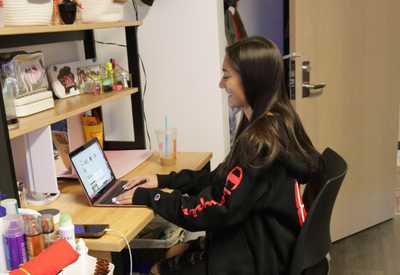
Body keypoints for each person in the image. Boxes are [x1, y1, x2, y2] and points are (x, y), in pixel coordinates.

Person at [113, 36, 325, 275]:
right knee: (173, 252)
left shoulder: (260, 141)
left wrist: (153, 198)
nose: (220, 84)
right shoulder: (275, 119)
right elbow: (221, 179)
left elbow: (216, 209)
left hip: (261, 256)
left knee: (157, 269)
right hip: (264, 238)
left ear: (252, 79)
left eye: (226, 76)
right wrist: (163, 181)